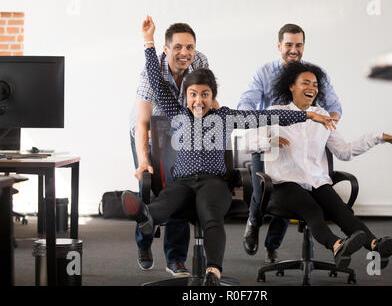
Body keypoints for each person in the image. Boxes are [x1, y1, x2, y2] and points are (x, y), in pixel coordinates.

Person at [121, 15, 340, 286]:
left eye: (204, 94)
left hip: (214, 183)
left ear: (213, 97)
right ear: (185, 97)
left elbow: (269, 117)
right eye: (192, 94)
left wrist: (307, 116)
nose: (198, 100)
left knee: (211, 217)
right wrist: (147, 41)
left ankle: (213, 271)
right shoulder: (176, 113)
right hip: (184, 182)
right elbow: (155, 79)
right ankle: (145, 216)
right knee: (164, 203)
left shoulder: (225, 116)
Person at [242, 62, 392, 268]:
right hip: (284, 184)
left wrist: (378, 137)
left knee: (341, 211)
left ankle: (374, 244)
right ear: (291, 86)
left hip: (316, 181)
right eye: (305, 82)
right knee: (312, 211)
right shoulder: (274, 113)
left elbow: (345, 151)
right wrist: (268, 142)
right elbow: (246, 143)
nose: (312, 88)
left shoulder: (323, 117)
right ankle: (336, 245)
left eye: (315, 84)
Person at [238, 24, 343, 263]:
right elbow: (245, 104)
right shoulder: (264, 73)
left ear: (303, 46)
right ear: (279, 46)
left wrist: (330, 123)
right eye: (288, 45)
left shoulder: (313, 74)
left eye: (298, 45)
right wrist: (261, 132)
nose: (293, 50)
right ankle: (253, 222)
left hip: (299, 143)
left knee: (290, 191)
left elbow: (335, 106)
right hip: (269, 141)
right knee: (262, 189)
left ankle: (272, 245)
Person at [129, 21, 216, 276]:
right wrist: (144, 160)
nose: (184, 53)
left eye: (189, 46)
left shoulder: (199, 62)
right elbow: (142, 121)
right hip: (148, 133)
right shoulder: (151, 72)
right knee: (147, 186)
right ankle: (144, 244)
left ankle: (175, 259)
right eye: (178, 47)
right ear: (166, 49)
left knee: (180, 186)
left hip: (179, 133)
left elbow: (206, 98)